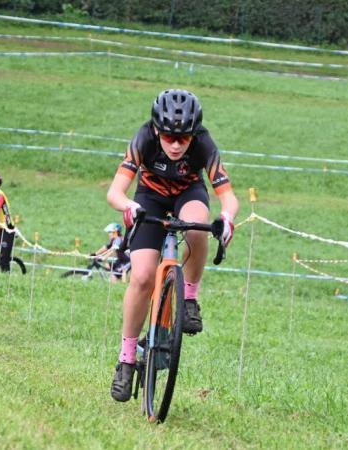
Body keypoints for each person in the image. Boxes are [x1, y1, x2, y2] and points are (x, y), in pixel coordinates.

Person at [107, 89, 239, 402]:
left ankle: (190, 298)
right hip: (148, 199)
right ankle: (126, 360)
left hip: (187, 193)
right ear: (156, 130)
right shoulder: (143, 139)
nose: (177, 144)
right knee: (141, 277)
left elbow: (228, 196)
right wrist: (128, 206)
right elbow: (114, 191)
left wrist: (228, 218)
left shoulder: (204, 143)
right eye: (169, 137)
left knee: (197, 228)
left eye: (185, 138)